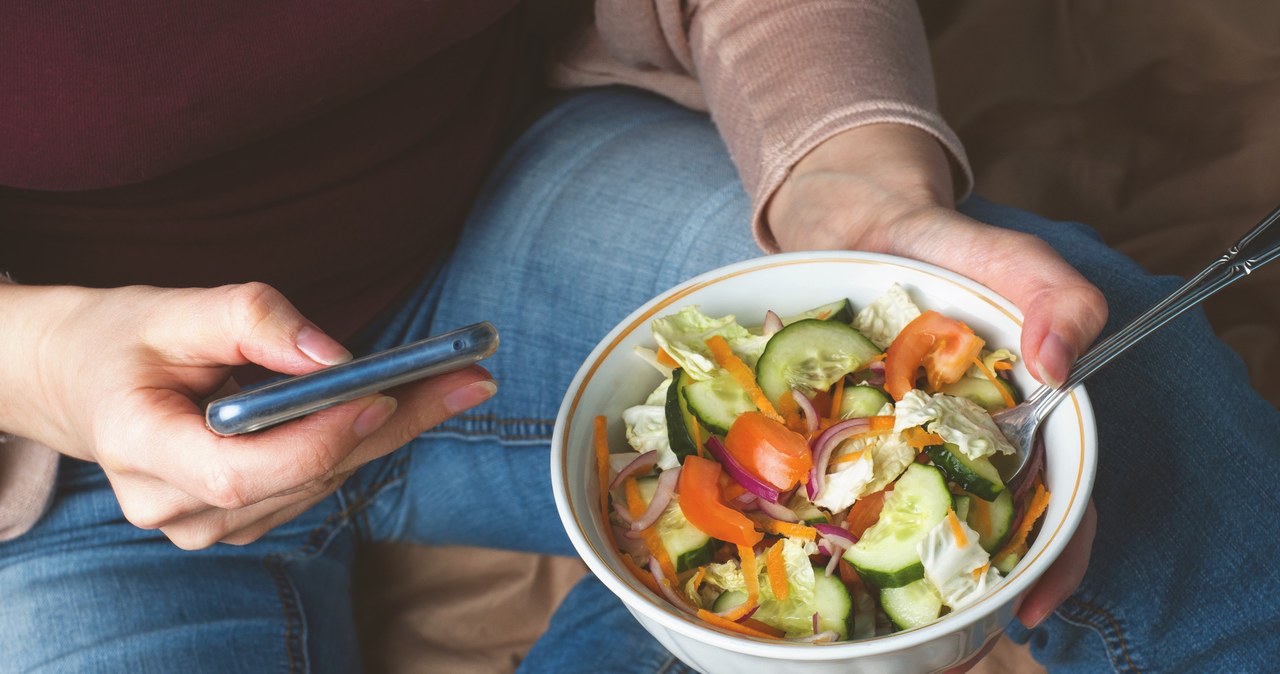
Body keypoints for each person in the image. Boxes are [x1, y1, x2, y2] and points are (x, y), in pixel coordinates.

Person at [0, 1, 1275, 673]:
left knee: (1126, 379)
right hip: (52, 439)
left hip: (487, 213)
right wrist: (43, 361)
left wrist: (858, 183)